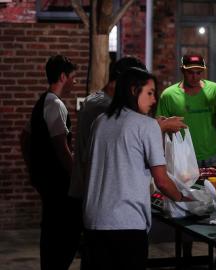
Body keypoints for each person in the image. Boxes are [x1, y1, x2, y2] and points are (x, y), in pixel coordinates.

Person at [83, 67, 189, 270]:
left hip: (93, 221)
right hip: (126, 223)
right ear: (133, 90)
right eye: (149, 93)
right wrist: (184, 200)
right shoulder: (146, 125)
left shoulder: (99, 122)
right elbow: (162, 181)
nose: (154, 100)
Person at [70, 56, 186, 199]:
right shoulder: (104, 108)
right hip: (101, 194)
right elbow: (126, 133)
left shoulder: (98, 102)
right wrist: (159, 126)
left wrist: (152, 125)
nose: (153, 99)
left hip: (94, 192)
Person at [20, 55, 82, 270]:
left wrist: (32, 168)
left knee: (50, 231)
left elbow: (24, 138)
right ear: (63, 76)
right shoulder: (56, 105)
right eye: (73, 77)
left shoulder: (42, 101)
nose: (75, 82)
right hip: (59, 184)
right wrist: (78, 178)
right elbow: (62, 148)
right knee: (63, 236)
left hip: (46, 181)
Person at [156, 54, 216, 167]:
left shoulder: (215, 90)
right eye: (190, 72)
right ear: (182, 70)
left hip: (212, 156)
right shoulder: (168, 95)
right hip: (182, 158)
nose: (195, 77)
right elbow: (159, 129)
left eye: (198, 72)